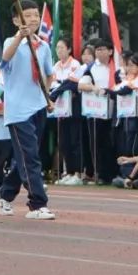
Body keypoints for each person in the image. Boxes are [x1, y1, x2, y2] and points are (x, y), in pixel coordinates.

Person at [0, 0, 56, 220]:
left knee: (26, 156)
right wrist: (20, 37)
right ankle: (37, 204)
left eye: (35, 15)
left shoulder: (43, 45)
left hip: (38, 108)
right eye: (27, 16)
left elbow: (48, 74)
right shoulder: (10, 43)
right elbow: (4, 59)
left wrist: (47, 95)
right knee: (30, 157)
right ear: (16, 20)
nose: (32, 19)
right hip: (18, 112)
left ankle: (4, 194)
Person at [79, 40, 117, 185]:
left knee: (111, 142)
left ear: (110, 51)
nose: (99, 52)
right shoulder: (92, 68)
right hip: (96, 112)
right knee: (97, 143)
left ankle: (112, 172)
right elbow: (81, 84)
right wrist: (94, 88)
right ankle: (100, 173)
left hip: (115, 110)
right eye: (97, 50)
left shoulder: (116, 67)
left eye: (102, 49)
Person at [50, 38, 84, 185]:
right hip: (61, 109)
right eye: (57, 48)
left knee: (75, 140)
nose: (59, 51)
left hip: (74, 106)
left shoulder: (75, 64)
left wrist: (57, 90)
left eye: (62, 48)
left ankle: (78, 172)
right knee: (63, 142)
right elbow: (53, 82)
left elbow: (72, 83)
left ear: (69, 49)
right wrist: (57, 88)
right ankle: (69, 171)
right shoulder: (56, 66)